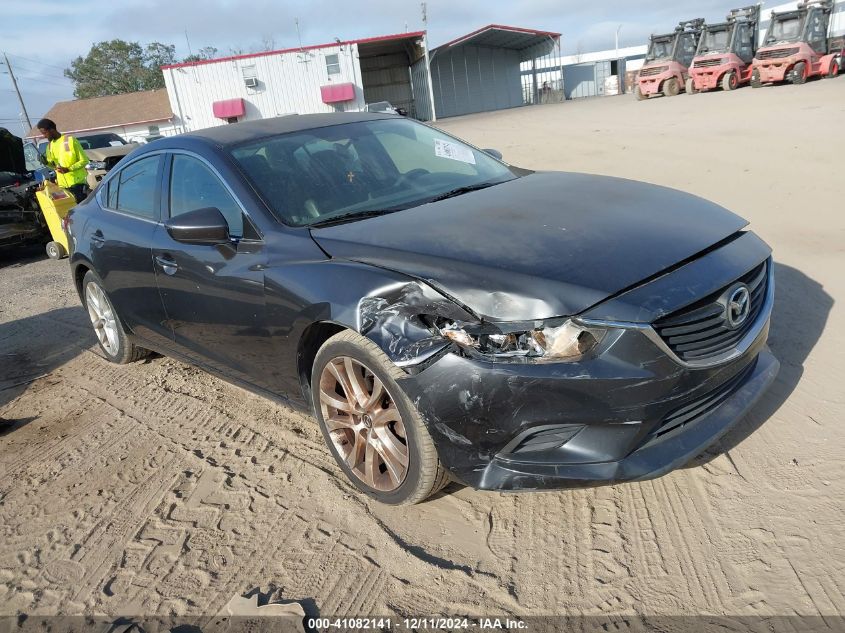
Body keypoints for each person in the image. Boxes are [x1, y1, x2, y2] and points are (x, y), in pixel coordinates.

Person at [36, 118, 90, 203]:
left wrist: (68, 169)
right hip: (63, 188)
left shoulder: (70, 140)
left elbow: (84, 160)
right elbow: (54, 167)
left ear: (52, 129)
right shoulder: (49, 146)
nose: (44, 136)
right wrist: (46, 163)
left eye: (45, 133)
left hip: (78, 186)